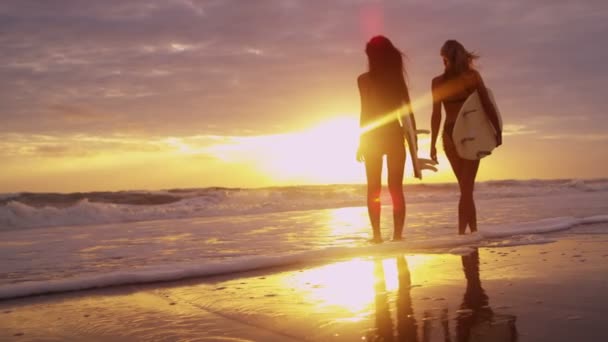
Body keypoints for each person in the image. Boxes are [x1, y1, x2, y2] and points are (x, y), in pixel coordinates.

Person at [429, 40, 502, 235]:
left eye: (444, 58)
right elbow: (487, 106)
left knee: (465, 189)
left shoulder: (438, 82)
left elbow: (437, 115)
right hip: (470, 136)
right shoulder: (471, 77)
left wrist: (433, 145)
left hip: (449, 135)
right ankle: (464, 235)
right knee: (467, 190)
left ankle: (471, 234)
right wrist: (497, 131)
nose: (443, 62)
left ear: (447, 58)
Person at [357, 35, 416, 243]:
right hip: (393, 136)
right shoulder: (396, 80)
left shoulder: (364, 80)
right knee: (395, 188)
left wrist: (361, 142)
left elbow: (365, 113)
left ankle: (376, 236)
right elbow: (409, 115)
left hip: (373, 138)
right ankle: (397, 236)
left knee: (373, 187)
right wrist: (414, 148)